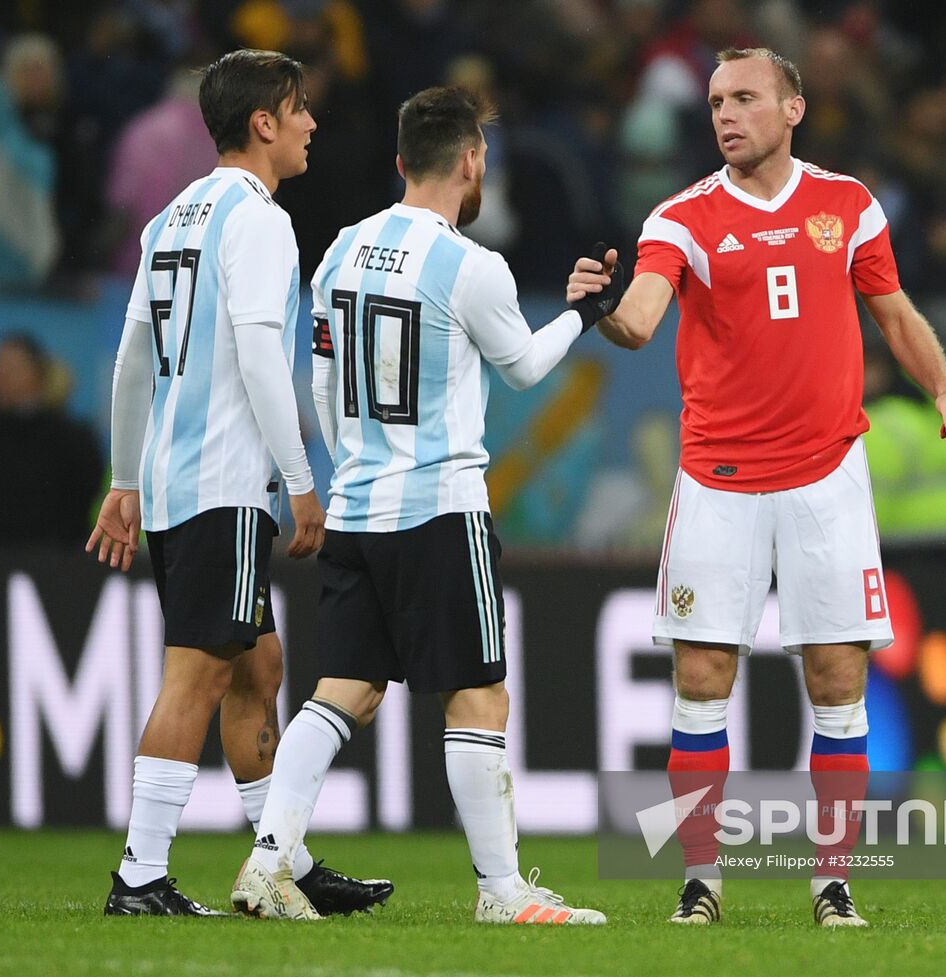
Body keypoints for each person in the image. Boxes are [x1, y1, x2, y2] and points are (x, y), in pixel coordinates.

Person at [568, 47, 946, 928]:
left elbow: (895, 310)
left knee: (838, 680)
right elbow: (643, 319)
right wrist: (600, 308)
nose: (726, 114)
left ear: (793, 109)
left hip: (828, 475)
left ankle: (832, 881)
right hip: (718, 480)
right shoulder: (680, 218)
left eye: (746, 98)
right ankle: (702, 880)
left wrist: (943, 384)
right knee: (703, 677)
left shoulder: (847, 205)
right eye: (717, 100)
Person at [230, 85, 618, 924]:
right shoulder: (471, 266)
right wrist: (584, 314)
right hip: (440, 507)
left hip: (358, 505)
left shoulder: (339, 249)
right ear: (473, 162)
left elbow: (323, 378)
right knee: (477, 696)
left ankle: (266, 861)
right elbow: (519, 366)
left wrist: (351, 468)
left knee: (341, 690)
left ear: (402, 162)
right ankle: (500, 890)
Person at [86, 48, 390, 919]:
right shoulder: (258, 218)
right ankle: (140, 875)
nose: (310, 125)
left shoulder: (170, 217)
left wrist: (124, 475)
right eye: (299, 110)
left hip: (179, 479)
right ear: (263, 121)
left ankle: (281, 857)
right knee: (200, 675)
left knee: (260, 664)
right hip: (225, 482)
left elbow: (134, 356)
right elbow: (260, 351)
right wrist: (301, 479)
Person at [0, 333, 102, 547]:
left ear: (38, 374)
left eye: (12, 367)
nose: (2, 375)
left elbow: (83, 503)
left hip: (54, 565)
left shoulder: (72, 437)